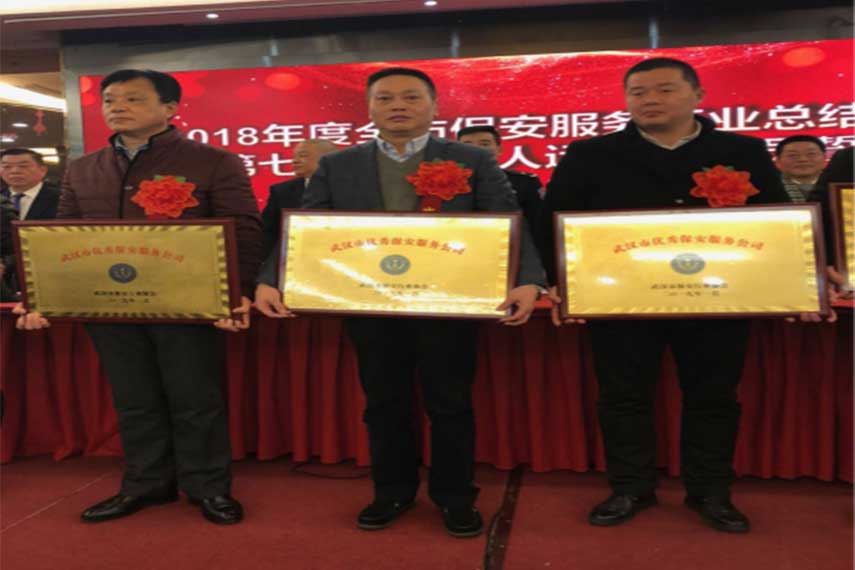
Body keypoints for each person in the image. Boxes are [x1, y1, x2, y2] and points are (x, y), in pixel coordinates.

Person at [255, 67, 548, 538]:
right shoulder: (338, 165)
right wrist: (270, 279)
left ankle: (455, 497)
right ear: (369, 107)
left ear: (434, 106)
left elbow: (508, 219)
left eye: (411, 97)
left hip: (449, 302)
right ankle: (391, 491)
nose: (398, 106)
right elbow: (307, 228)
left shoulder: (470, 159)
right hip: (370, 303)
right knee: (383, 403)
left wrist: (530, 278)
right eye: (385, 98)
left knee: (450, 403)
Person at [540, 57, 792, 534]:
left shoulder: (743, 151)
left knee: (714, 397)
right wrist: (561, 282)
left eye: (664, 89)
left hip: (718, 299)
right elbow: (554, 219)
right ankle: (630, 488)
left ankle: (710, 491)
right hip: (619, 300)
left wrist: (797, 277)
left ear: (698, 95)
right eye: (637, 92)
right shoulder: (591, 153)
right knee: (623, 396)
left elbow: (777, 222)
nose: (649, 100)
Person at [14, 69, 262, 525]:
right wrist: (42, 295)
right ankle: (146, 484)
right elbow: (59, 237)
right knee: (134, 400)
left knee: (195, 400)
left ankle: (208, 487)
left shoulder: (213, 161)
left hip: (188, 304)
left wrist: (236, 293)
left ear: (169, 108)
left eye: (133, 99)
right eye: (110, 100)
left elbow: (244, 229)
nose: (118, 107)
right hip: (110, 304)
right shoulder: (84, 168)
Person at [261, 138, 338, 257]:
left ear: (327, 158)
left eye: (303, 156)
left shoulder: (349, 187)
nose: (295, 161)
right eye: (294, 157)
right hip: (295, 255)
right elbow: (268, 232)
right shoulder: (282, 191)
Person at [456, 125, 543, 231]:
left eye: (484, 144)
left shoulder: (525, 182)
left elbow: (536, 224)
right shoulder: (446, 182)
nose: (476, 150)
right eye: (467, 145)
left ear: (499, 149)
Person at [0, 148, 61, 300]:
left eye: (23, 166)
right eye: (6, 166)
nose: (14, 171)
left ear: (43, 170)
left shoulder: (62, 199)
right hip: (5, 284)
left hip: (48, 275)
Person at [774, 135, 827, 202]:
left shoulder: (835, 184)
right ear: (778, 161)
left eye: (811, 154)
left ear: (824, 158)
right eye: (792, 155)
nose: (803, 159)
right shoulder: (769, 187)